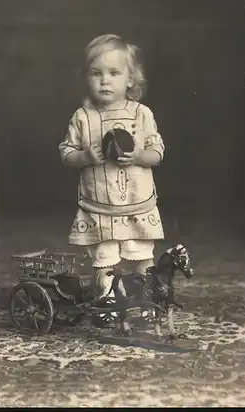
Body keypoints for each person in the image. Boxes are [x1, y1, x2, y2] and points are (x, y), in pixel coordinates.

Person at [59, 33, 165, 302]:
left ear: (130, 79)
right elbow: (66, 152)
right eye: (96, 73)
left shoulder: (141, 114)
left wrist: (141, 155)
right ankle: (105, 302)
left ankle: (146, 300)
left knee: (142, 256)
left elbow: (158, 152)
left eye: (114, 73)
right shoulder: (83, 117)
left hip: (136, 204)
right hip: (99, 205)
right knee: (104, 260)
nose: (105, 80)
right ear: (86, 78)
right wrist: (84, 157)